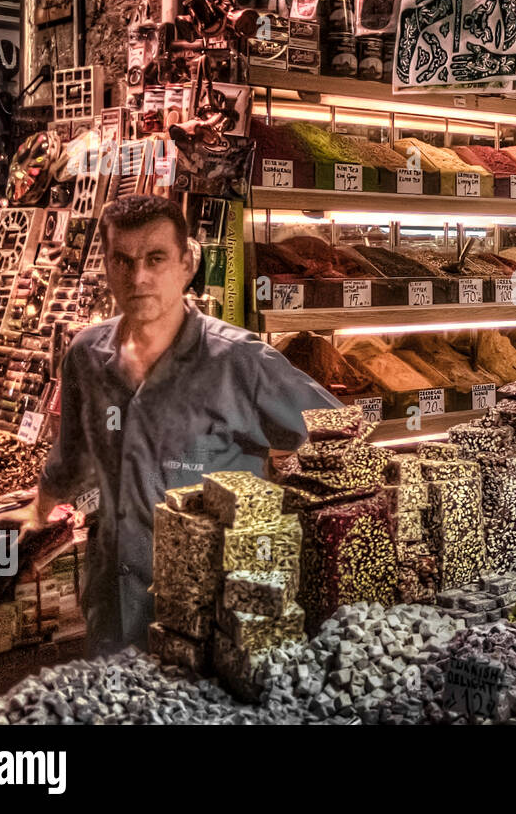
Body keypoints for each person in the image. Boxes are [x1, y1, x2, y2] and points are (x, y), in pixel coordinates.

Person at [25, 194, 339, 654]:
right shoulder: (85, 355)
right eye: (123, 260)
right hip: (112, 609)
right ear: (107, 266)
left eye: (156, 258)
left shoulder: (240, 361)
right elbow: (71, 456)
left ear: (187, 263)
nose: (139, 278)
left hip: (208, 623)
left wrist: (280, 534)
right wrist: (36, 511)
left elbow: (335, 434)